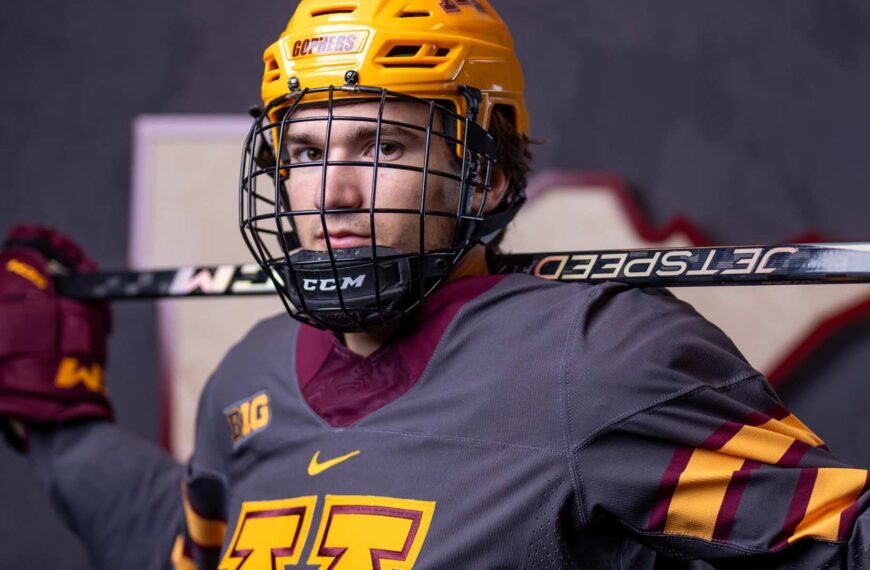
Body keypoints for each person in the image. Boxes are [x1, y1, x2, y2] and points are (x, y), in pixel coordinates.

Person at [2, 1, 870, 568]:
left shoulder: (598, 359)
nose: (332, 192)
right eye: (305, 153)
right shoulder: (250, 375)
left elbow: (844, 539)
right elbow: (185, 555)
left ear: (486, 176)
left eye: (381, 148)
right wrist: (64, 432)